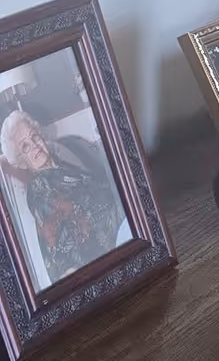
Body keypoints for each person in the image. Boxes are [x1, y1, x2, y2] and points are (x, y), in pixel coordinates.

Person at [0, 106, 129, 290]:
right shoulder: (39, 186)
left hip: (121, 219)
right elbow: (60, 243)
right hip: (115, 240)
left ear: (41, 135)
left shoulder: (61, 168)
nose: (34, 145)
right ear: (21, 162)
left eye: (34, 136)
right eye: (25, 146)